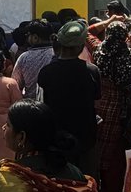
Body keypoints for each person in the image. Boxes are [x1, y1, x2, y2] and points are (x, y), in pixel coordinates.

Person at [37, 21, 101, 176]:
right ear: (80, 47)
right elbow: (97, 102)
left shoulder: (46, 72)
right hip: (86, 138)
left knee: (59, 184)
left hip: (56, 138)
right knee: (86, 182)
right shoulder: (92, 71)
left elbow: (42, 102)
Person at [93, 21, 131, 192]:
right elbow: (129, 85)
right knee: (116, 154)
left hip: (100, 103)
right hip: (120, 106)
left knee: (100, 147)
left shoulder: (99, 52)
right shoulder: (129, 56)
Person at [9, 20, 55, 100]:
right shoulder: (57, 54)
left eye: (28, 35)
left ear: (35, 37)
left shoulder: (24, 58)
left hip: (31, 105)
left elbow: (15, 84)